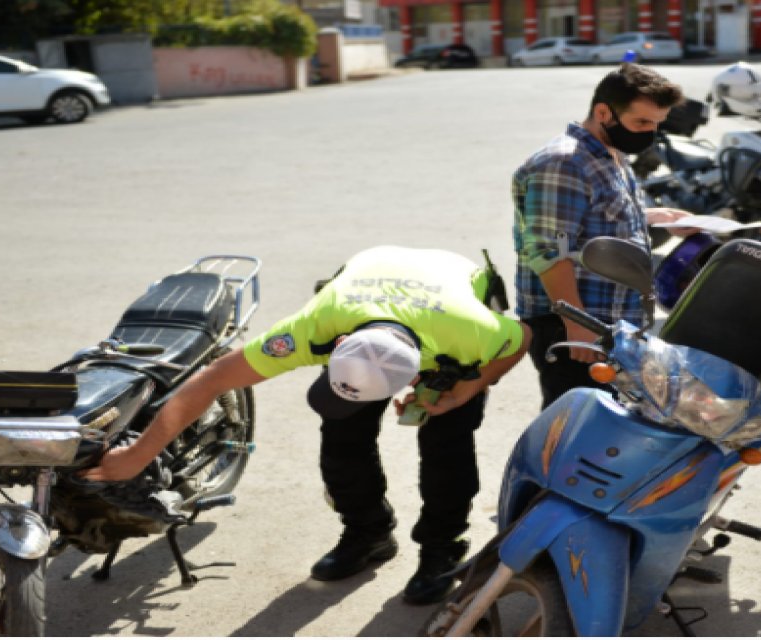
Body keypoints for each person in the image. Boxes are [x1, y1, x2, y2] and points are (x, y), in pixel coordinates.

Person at [82, 245, 532, 605]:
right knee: (341, 436)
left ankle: (442, 548)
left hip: (447, 300)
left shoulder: (471, 331)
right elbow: (210, 381)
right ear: (336, 347)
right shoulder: (313, 326)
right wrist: (137, 455)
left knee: (446, 442)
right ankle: (368, 532)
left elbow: (521, 338)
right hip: (375, 284)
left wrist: (470, 387)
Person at [512, 62, 693, 408]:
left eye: (657, 124)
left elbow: (596, 219)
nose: (649, 132)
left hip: (611, 325)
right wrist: (576, 326)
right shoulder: (565, 162)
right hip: (576, 327)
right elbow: (549, 251)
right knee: (576, 431)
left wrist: (657, 218)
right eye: (641, 122)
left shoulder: (611, 155)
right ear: (603, 112)